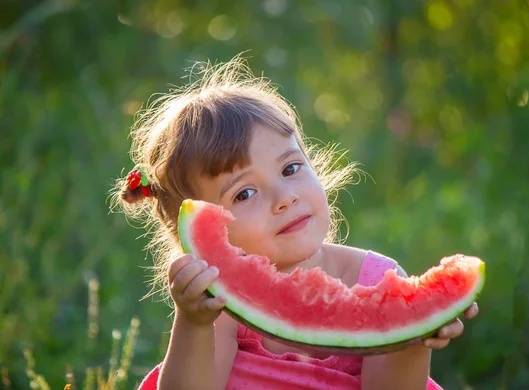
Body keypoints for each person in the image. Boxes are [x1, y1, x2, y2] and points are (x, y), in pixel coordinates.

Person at [113, 56, 479, 390]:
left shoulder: (378, 278)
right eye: (244, 194)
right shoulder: (223, 306)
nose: (285, 197)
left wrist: (413, 335)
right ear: (195, 232)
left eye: (290, 169)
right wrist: (193, 322)